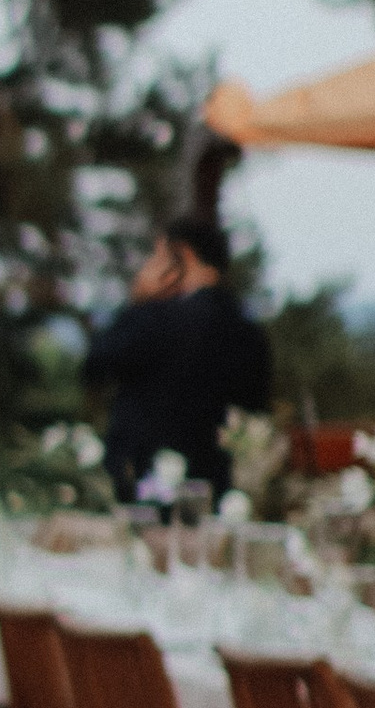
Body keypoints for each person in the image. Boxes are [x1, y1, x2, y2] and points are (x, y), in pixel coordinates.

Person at [83, 215, 271, 503]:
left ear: (182, 255)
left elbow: (95, 366)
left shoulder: (155, 320)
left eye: (158, 257)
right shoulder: (250, 333)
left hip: (146, 491)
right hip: (217, 492)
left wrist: (137, 300)